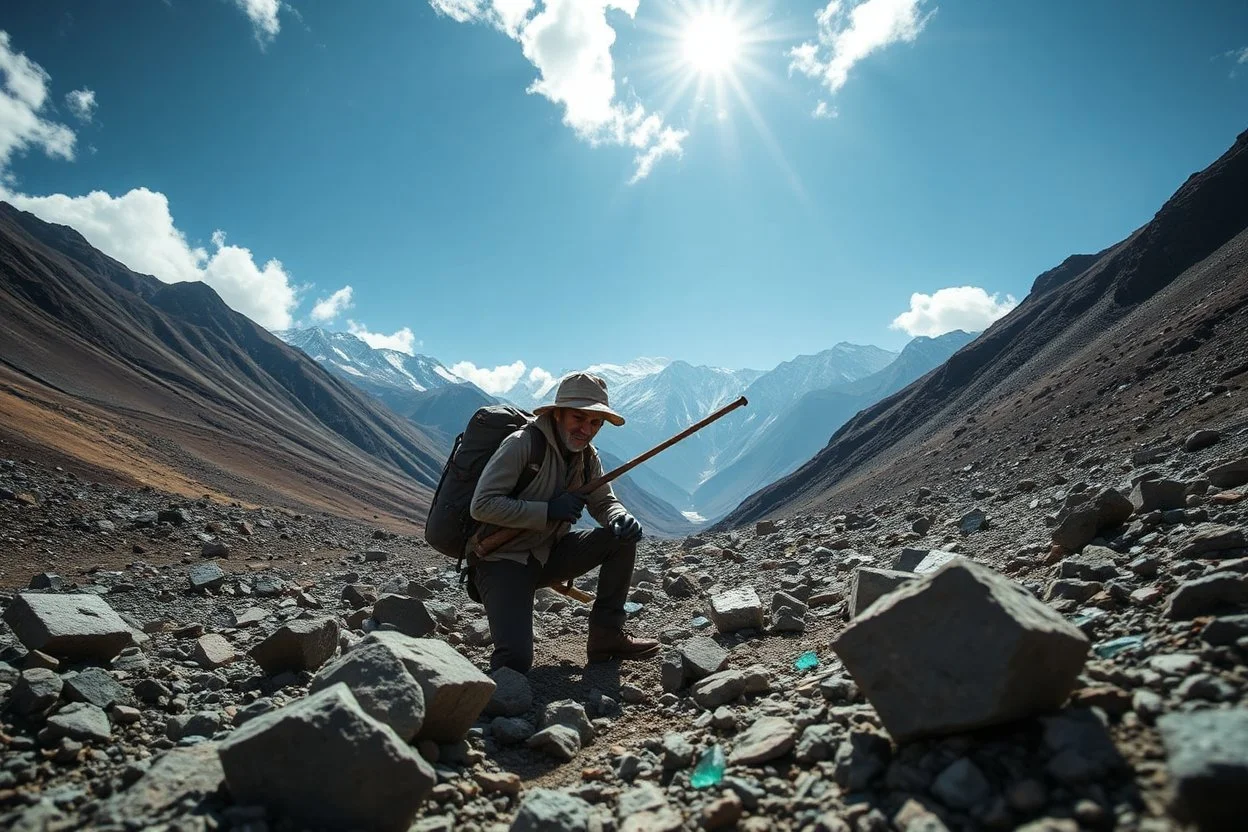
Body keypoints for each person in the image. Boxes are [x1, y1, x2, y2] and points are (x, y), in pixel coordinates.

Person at [468, 372, 660, 674]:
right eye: (579, 418)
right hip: (503, 559)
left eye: (595, 423)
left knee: (620, 538)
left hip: (549, 554)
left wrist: (619, 516)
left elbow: (603, 501)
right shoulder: (521, 445)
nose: (586, 429)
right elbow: (482, 505)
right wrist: (547, 511)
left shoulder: (587, 456)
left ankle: (606, 637)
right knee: (515, 662)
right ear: (557, 413)